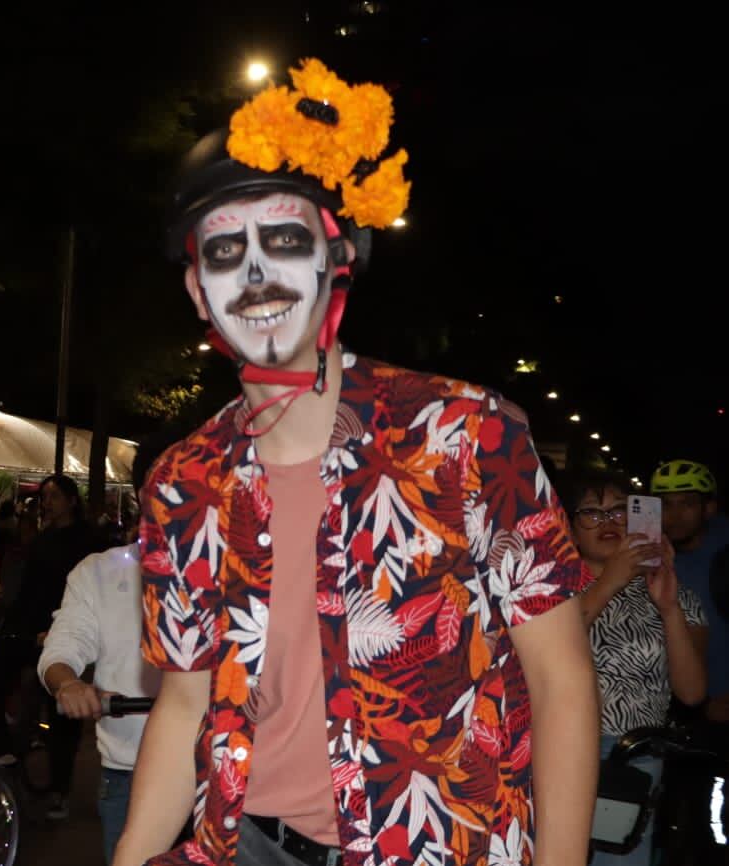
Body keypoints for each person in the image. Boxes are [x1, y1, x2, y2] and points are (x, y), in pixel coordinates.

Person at [115, 60, 598, 866]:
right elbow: (183, 703)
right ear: (199, 292)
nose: (259, 273)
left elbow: (562, 681)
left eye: (284, 239)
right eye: (227, 251)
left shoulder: (465, 434)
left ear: (338, 260)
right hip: (245, 845)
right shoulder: (180, 482)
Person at [38, 439, 169, 863]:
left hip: (226, 773)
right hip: (132, 773)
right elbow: (62, 648)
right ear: (142, 495)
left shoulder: (240, 571)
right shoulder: (98, 573)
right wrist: (69, 683)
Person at [568, 471, 707, 866]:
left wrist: (668, 607)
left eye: (619, 511)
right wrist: (608, 583)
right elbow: (551, 651)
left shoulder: (675, 593)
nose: (608, 522)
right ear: (571, 528)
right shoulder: (549, 588)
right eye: (591, 513)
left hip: (635, 755)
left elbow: (693, 691)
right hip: (559, 749)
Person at [0, 473, 99, 819]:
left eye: (55, 497)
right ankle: (1, 750)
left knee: (61, 709)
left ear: (71, 501)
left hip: (63, 631)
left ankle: (60, 786)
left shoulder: (86, 541)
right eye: (45, 497)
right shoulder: (40, 537)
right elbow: (26, 585)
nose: (47, 503)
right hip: (29, 627)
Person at [649, 459, 729, 722]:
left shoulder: (723, 551)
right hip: (674, 709)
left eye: (687, 503)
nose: (674, 515)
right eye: (666, 504)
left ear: (709, 508)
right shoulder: (646, 557)